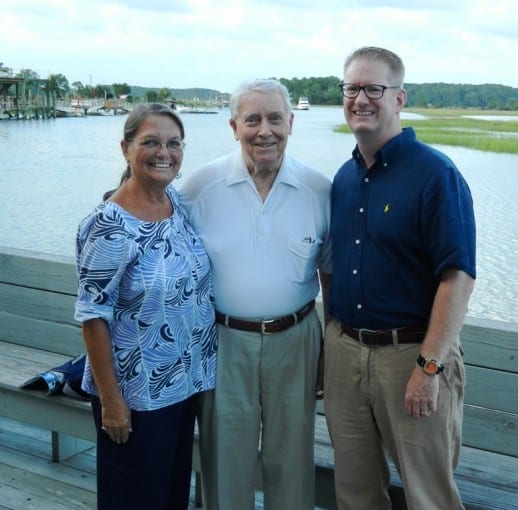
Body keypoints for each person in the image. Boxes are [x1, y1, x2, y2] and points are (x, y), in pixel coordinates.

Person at [324, 46, 476, 510]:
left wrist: (430, 367)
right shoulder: (344, 180)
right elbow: (330, 270)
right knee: (356, 494)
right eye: (352, 88)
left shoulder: (435, 175)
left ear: (399, 98)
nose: (361, 99)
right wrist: (330, 343)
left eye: (375, 88)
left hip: (410, 358)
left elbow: (459, 277)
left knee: (428, 497)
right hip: (346, 356)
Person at [180, 79, 331, 510]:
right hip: (223, 342)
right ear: (233, 127)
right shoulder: (199, 188)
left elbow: (331, 275)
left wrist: (328, 350)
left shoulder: (319, 190)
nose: (264, 130)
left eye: (275, 119)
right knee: (225, 460)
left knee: (293, 459)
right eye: (252, 120)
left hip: (297, 339)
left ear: (291, 123)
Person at [74, 103, 217, 510]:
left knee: (170, 495)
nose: (164, 153)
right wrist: (113, 403)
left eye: (173, 143)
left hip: (181, 385)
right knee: (134, 499)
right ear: (125, 148)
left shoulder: (173, 203)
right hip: (135, 396)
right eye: (150, 142)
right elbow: (92, 316)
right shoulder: (108, 225)